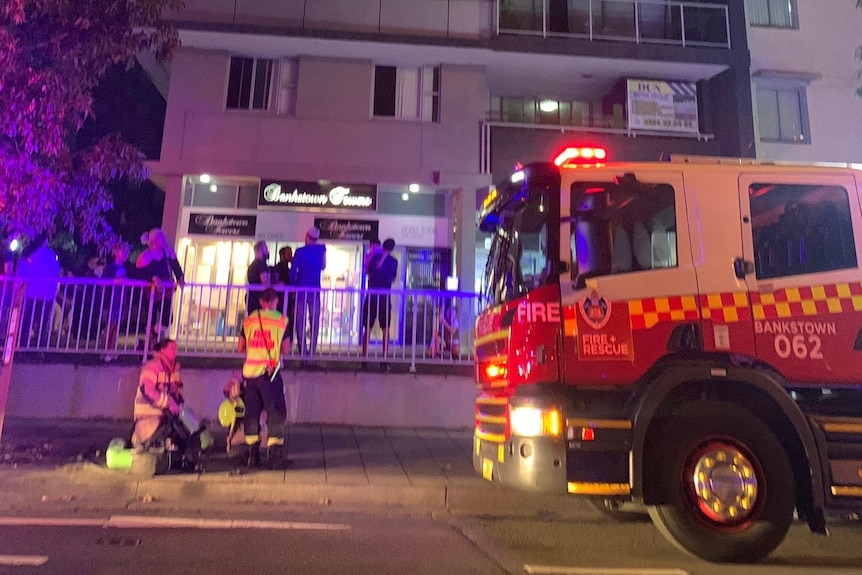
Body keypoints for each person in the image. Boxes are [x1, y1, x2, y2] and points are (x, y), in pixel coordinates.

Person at [237, 288, 290, 468]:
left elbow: (240, 347)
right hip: (269, 374)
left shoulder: (250, 320)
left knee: (251, 414)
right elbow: (286, 349)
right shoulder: (281, 321)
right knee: (275, 412)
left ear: (261, 302)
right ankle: (275, 456)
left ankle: (252, 454)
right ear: (276, 302)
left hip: (249, 374)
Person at [132, 338, 203, 470]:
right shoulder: (153, 367)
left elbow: (177, 395)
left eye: (175, 348)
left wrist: (177, 404)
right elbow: (148, 392)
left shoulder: (170, 369)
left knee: (191, 423)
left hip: (162, 419)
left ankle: (188, 458)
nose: (174, 351)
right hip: (151, 422)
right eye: (171, 348)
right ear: (162, 350)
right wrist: (169, 403)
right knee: (186, 427)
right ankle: (190, 460)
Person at [136, 228, 185, 342]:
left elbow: (176, 267)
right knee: (150, 317)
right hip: (151, 292)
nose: (163, 239)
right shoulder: (145, 256)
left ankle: (157, 335)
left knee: (167, 317)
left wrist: (180, 278)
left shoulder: (168, 253)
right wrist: (153, 278)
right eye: (160, 237)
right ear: (154, 240)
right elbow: (140, 273)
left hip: (166, 291)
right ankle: (149, 344)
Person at [16, 235, 61, 347]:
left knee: (26, 321)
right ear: (45, 242)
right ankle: (40, 346)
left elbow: (21, 273)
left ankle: (22, 345)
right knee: (42, 321)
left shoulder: (27, 253)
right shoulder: (50, 255)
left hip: (29, 292)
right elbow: (57, 271)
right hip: (46, 293)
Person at [361, 238, 398, 369]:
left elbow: (368, 272)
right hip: (384, 296)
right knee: (385, 328)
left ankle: (364, 357)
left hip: (371, 294)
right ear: (393, 248)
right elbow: (393, 278)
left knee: (368, 328)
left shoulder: (373, 257)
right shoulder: (394, 261)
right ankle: (384, 358)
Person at [290, 227, 326, 360]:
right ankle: (312, 353)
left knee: (300, 322)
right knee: (314, 321)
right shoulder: (321, 249)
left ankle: (303, 353)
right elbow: (323, 266)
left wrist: (292, 288)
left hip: (300, 289)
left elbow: (293, 272)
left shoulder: (300, 252)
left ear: (306, 236)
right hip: (315, 289)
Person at [101, 243, 130, 362]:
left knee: (116, 325)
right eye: (123, 251)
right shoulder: (111, 266)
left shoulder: (126, 267)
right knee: (110, 324)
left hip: (121, 298)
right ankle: (105, 350)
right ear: (116, 252)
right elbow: (104, 280)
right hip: (113, 298)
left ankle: (112, 348)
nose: (125, 254)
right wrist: (114, 281)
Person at [273, 246, 294, 344]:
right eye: (288, 254)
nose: (291, 256)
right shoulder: (279, 267)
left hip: (287, 299)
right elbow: (276, 281)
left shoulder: (288, 268)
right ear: (282, 256)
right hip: (281, 300)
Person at [246, 241, 272, 315]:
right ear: (260, 250)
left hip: (252, 298)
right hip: (259, 299)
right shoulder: (260, 265)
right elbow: (265, 282)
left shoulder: (253, 265)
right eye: (266, 248)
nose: (267, 251)